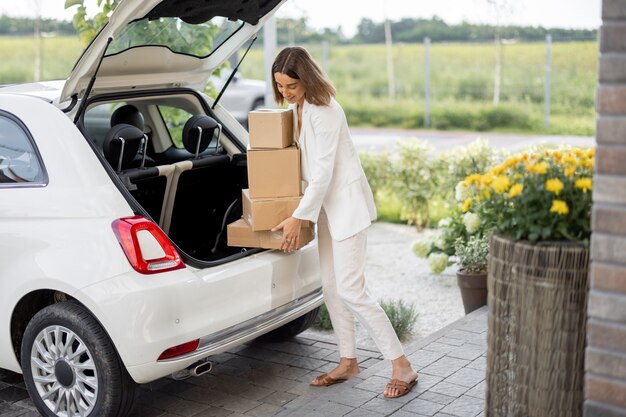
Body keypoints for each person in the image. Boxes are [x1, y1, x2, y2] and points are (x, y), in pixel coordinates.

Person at [270, 46, 418, 399]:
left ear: (305, 79)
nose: (285, 94)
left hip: (346, 207)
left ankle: (402, 366)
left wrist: (296, 218)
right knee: (332, 287)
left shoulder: (325, 111)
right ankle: (348, 361)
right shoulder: (299, 107)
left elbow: (322, 174)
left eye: (291, 86)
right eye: (280, 87)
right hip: (324, 209)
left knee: (352, 290)